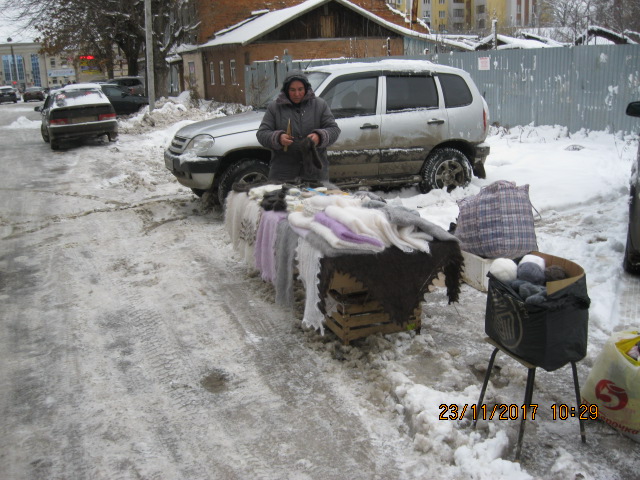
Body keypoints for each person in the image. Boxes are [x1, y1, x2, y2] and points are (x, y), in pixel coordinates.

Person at [257, 70, 340, 183]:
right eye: (292, 90)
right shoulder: (275, 108)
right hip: (283, 174)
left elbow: (334, 130)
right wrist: (278, 138)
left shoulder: (320, 105)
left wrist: (319, 137)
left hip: (314, 174)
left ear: (306, 88)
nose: (297, 94)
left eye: (300, 89)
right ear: (286, 90)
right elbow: (262, 134)